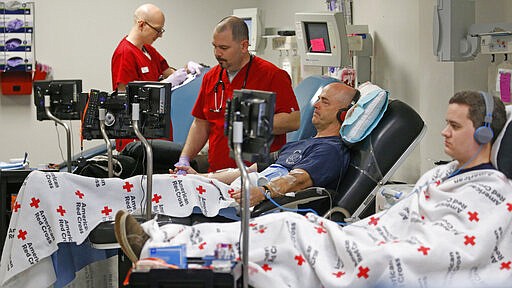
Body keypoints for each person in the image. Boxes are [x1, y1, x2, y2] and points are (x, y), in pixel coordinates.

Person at [114, 91, 512, 287]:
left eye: (454, 127)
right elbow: (395, 215)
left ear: (482, 134)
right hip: (369, 234)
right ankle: (163, 242)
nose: (444, 133)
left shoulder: (494, 192)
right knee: (279, 233)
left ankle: (163, 246)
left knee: (287, 230)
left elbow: (461, 247)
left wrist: (382, 244)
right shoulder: (438, 176)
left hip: (388, 251)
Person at [175, 82, 356, 207]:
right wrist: (200, 177)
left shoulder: (331, 150)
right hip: (241, 195)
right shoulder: (299, 145)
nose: (316, 105)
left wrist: (263, 192)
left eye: (325, 102)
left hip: (261, 207)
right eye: (318, 99)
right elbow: (246, 171)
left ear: (344, 114)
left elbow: (297, 180)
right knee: (175, 185)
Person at [174, 16, 300, 173]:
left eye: (224, 48)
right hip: (216, 173)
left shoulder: (272, 75)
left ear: (244, 46)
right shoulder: (211, 77)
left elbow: (293, 120)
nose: (217, 53)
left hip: (255, 175)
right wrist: (184, 159)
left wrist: (251, 122)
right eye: (214, 46)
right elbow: (201, 123)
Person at [111, 3, 203, 151]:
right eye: (158, 30)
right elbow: (125, 98)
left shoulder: (148, 50)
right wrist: (165, 84)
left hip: (158, 130)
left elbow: (170, 73)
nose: (160, 35)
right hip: (138, 135)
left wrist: (186, 70)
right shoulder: (125, 53)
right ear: (141, 24)